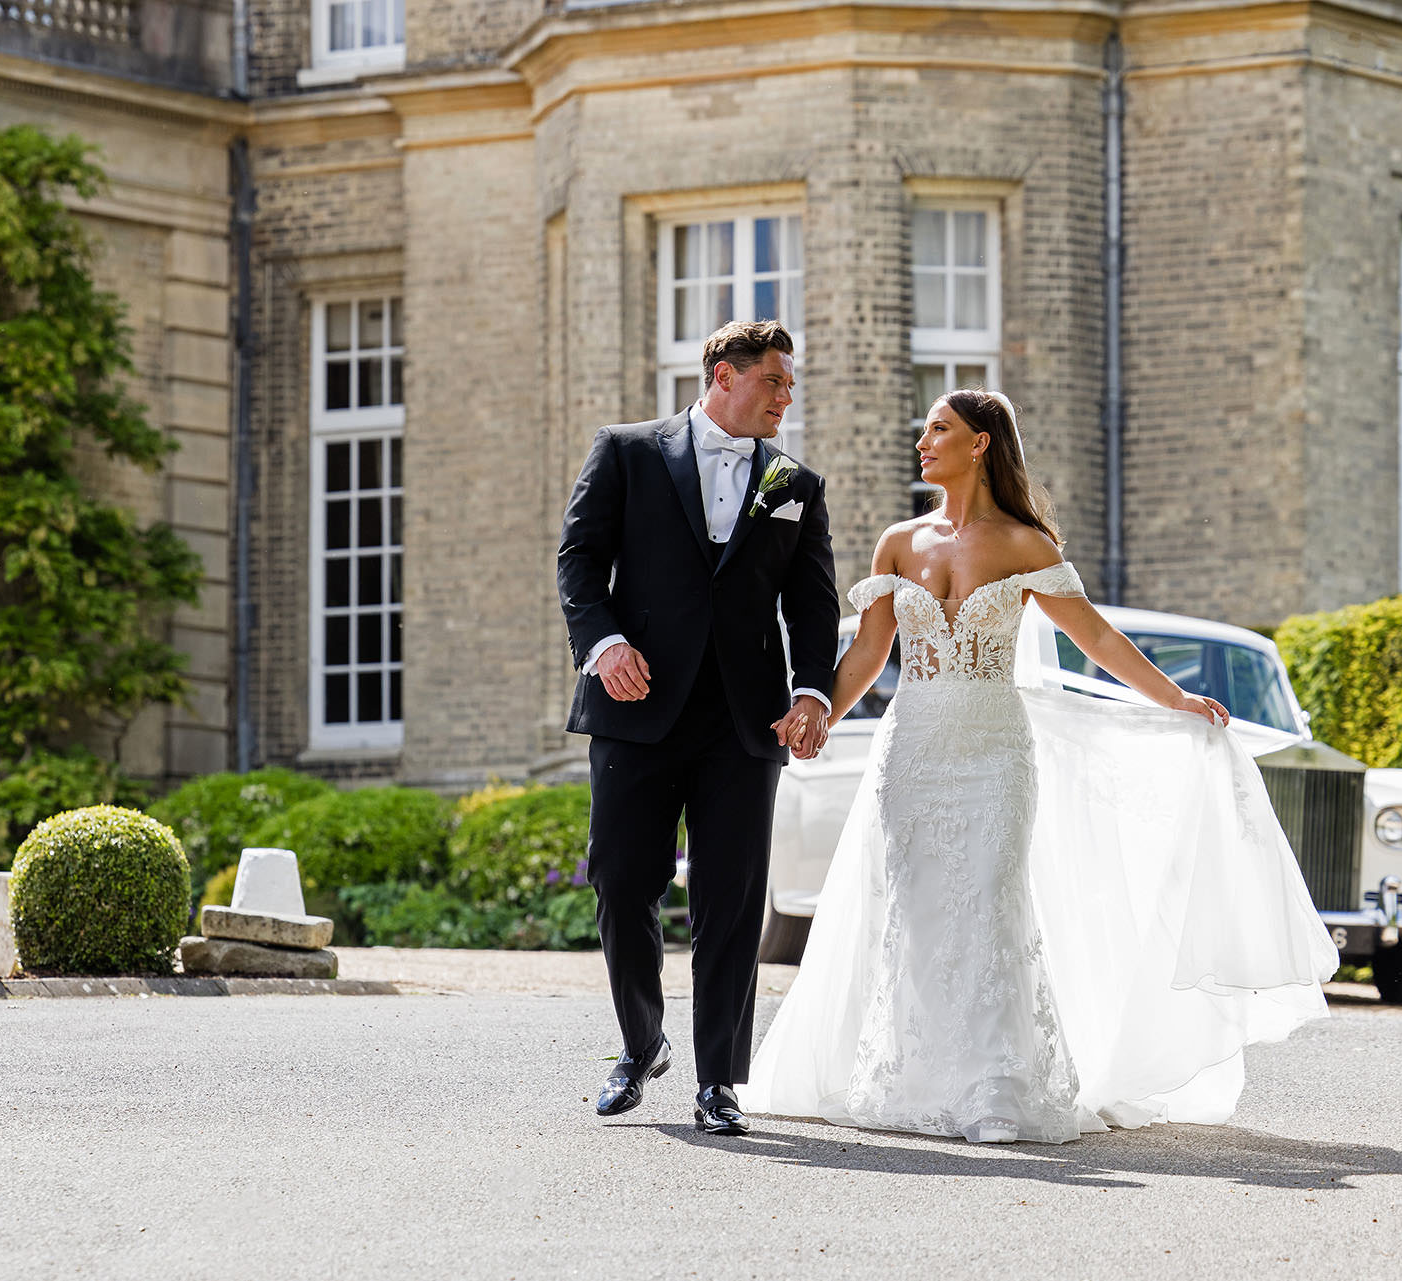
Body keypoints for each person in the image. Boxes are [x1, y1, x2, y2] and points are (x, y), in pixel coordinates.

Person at [739, 388, 1338, 1143]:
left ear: (981, 442)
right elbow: (868, 650)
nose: (922, 440)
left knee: (989, 902)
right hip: (913, 751)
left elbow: (1098, 638)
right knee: (918, 911)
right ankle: (914, 1076)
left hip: (994, 751)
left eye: (939, 428)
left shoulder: (1027, 545)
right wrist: (820, 704)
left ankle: (996, 1087)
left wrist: (1174, 697)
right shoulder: (899, 542)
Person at [556, 319, 839, 1137]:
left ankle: (719, 1079)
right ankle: (641, 1044)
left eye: (790, 385)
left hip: (744, 724)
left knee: (732, 902)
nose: (787, 398)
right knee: (620, 878)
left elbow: (812, 604)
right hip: (635, 705)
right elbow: (578, 560)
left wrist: (813, 691)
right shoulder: (626, 450)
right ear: (724, 374)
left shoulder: (795, 484)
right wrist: (603, 645)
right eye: (775, 382)